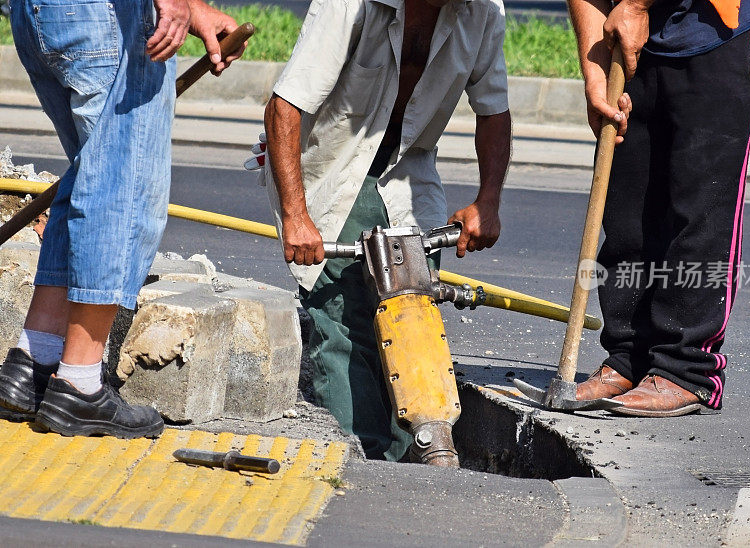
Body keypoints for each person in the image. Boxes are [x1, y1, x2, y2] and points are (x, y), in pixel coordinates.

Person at [246, 0, 511, 460]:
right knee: (345, 326)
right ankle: (356, 459)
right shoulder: (349, 5)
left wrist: (488, 201)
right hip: (332, 169)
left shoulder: (482, 10)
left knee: (415, 313)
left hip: (409, 170)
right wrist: (296, 216)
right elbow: (284, 107)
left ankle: (414, 456)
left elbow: (494, 110)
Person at [0, 0, 244, 437]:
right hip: (103, 15)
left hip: (41, 11)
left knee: (92, 172)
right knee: (121, 185)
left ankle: (35, 358)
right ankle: (80, 384)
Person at [570, 0, 750, 416]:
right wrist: (596, 70)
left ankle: (687, 369)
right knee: (628, 209)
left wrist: (636, 4)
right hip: (632, 39)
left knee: (701, 208)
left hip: (718, 29)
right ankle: (629, 357)